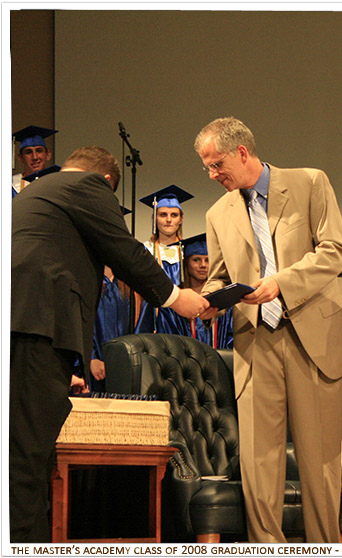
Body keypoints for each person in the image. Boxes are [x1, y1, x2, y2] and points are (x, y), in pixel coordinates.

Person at [10, 146, 210, 542]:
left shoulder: (38, 194)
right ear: (106, 182)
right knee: (26, 460)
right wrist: (176, 297)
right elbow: (124, 250)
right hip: (35, 328)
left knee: (19, 448)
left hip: (21, 327)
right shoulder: (87, 185)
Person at [195, 117, 342, 543]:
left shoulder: (309, 183)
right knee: (258, 461)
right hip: (255, 343)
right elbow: (218, 275)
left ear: (241, 153)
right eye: (207, 167)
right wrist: (211, 300)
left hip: (312, 340)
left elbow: (335, 251)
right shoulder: (217, 213)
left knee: (319, 461)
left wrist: (281, 282)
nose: (212, 175)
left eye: (216, 165)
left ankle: (325, 547)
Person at [135, 185, 194, 335]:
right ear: (155, 219)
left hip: (183, 316)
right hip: (151, 317)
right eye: (163, 215)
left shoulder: (187, 251)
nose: (168, 220)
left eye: (174, 215)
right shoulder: (145, 250)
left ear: (181, 219)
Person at [178, 233, 233, 349]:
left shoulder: (224, 298)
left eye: (208, 260)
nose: (202, 265)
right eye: (196, 260)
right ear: (186, 263)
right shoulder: (178, 298)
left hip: (222, 362)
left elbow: (232, 336)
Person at [12, 125, 59, 196]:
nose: (35, 157)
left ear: (48, 155)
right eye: (28, 152)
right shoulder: (10, 186)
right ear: (20, 158)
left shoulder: (58, 184)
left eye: (39, 151)